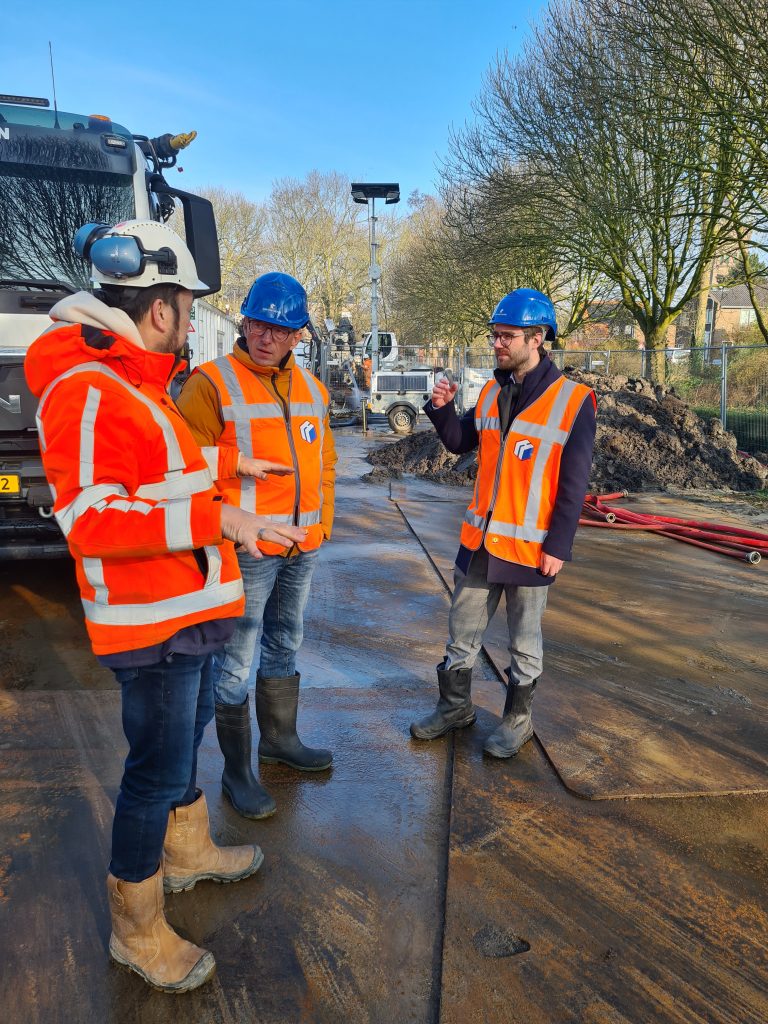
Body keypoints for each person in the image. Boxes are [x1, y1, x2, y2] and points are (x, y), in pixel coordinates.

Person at [24, 220, 307, 993]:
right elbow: (91, 517)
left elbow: (155, 462)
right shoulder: (87, 389)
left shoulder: (133, 382)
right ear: (161, 310)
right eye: (188, 305)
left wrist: (227, 462)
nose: (192, 321)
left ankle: (186, 854)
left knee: (180, 750)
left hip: (183, 607)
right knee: (153, 773)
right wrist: (222, 516)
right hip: (150, 622)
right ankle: (137, 927)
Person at [177, 272, 337, 821]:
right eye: (255, 323)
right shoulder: (210, 383)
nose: (264, 336)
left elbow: (328, 465)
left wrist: (324, 526)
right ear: (243, 321)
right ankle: (237, 773)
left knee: (285, 642)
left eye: (278, 328)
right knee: (235, 660)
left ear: (298, 335)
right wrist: (224, 524)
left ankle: (279, 742)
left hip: (302, 546)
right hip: (246, 550)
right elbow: (180, 467)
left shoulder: (313, 389)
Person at [410, 288, 596, 758]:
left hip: (532, 550)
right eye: (494, 335)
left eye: (506, 336)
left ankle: (518, 720)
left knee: (524, 641)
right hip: (480, 542)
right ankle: (455, 708)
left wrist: (559, 546)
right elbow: (459, 443)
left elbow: (573, 486)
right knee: (462, 631)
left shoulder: (574, 401)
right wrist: (441, 409)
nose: (497, 343)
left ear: (538, 338)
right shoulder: (493, 390)